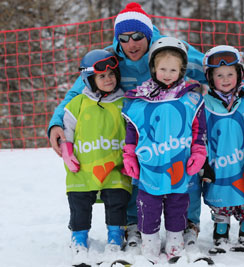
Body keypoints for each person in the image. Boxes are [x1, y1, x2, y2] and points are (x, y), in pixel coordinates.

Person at [47, 2, 208, 248]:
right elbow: (77, 93)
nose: (131, 44)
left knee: (186, 170)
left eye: (137, 36)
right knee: (134, 173)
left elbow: (215, 69)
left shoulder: (169, 50)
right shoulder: (110, 59)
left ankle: (188, 223)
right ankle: (134, 223)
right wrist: (57, 122)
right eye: (124, 38)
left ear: (149, 34)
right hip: (135, 132)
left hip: (175, 129)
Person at [121, 37, 207, 263]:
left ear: (182, 70)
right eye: (162, 69)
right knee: (148, 206)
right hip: (150, 167)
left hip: (178, 165)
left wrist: (199, 153)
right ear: (153, 69)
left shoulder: (191, 98)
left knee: (178, 205)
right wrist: (129, 156)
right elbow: (132, 132)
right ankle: (149, 245)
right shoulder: (139, 100)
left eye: (173, 69)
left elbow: (198, 130)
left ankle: (175, 243)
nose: (167, 74)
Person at [60, 49, 132, 263]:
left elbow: (132, 133)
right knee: (79, 203)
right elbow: (67, 132)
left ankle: (115, 237)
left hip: (115, 167)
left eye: (112, 75)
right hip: (82, 168)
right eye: (102, 76)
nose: (108, 79)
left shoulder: (124, 103)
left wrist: (130, 157)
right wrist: (67, 152)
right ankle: (79, 237)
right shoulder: (78, 104)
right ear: (90, 79)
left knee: (117, 201)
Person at [200, 45, 244, 254]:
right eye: (219, 75)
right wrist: (203, 162)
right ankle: (221, 228)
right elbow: (201, 135)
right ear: (210, 77)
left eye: (230, 74)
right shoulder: (204, 103)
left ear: (239, 74)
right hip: (218, 161)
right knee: (221, 195)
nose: (225, 79)